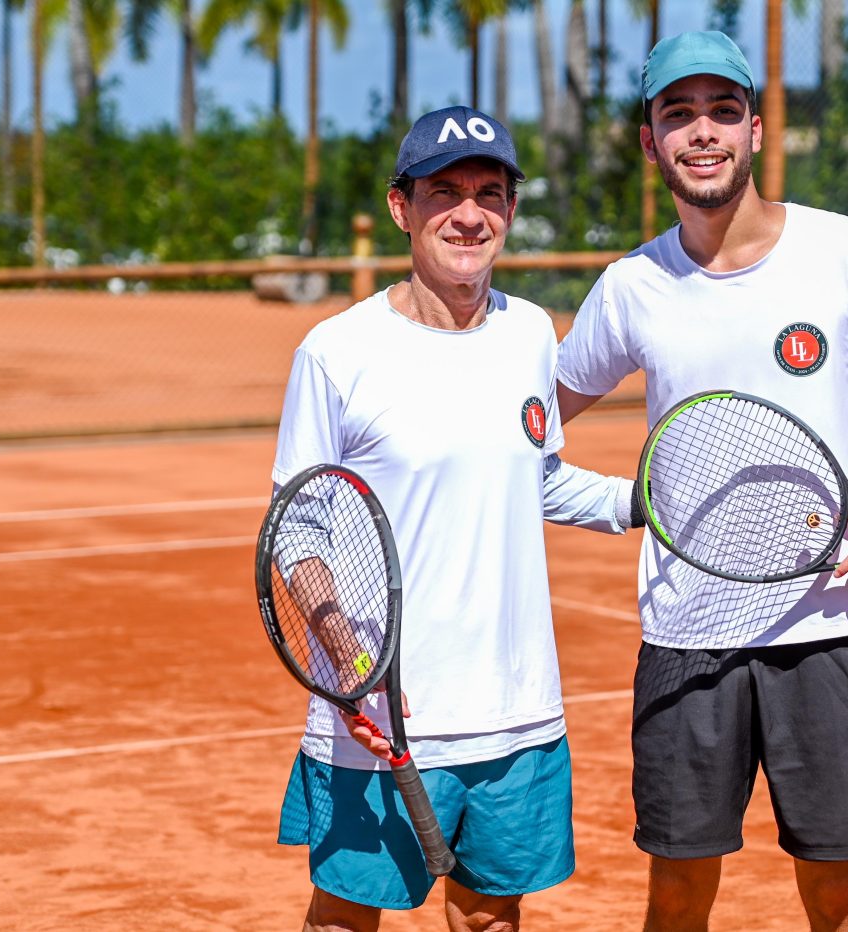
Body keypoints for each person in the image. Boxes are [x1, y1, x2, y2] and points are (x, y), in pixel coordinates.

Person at [555, 31, 848, 932]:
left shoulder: (847, 252)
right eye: (677, 115)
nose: (701, 133)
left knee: (836, 891)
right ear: (651, 142)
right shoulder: (631, 286)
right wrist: (607, 504)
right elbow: (525, 429)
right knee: (677, 891)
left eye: (722, 111)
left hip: (828, 629)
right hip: (686, 636)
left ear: (756, 130)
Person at [271, 106, 637, 932]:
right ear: (403, 208)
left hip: (517, 707)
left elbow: (534, 478)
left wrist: (634, 501)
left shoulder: (531, 335)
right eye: (446, 192)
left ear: (509, 210)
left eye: (490, 192)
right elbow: (299, 528)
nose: (470, 214)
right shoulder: (337, 352)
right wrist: (348, 662)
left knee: (488, 917)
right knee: (344, 916)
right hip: (383, 715)